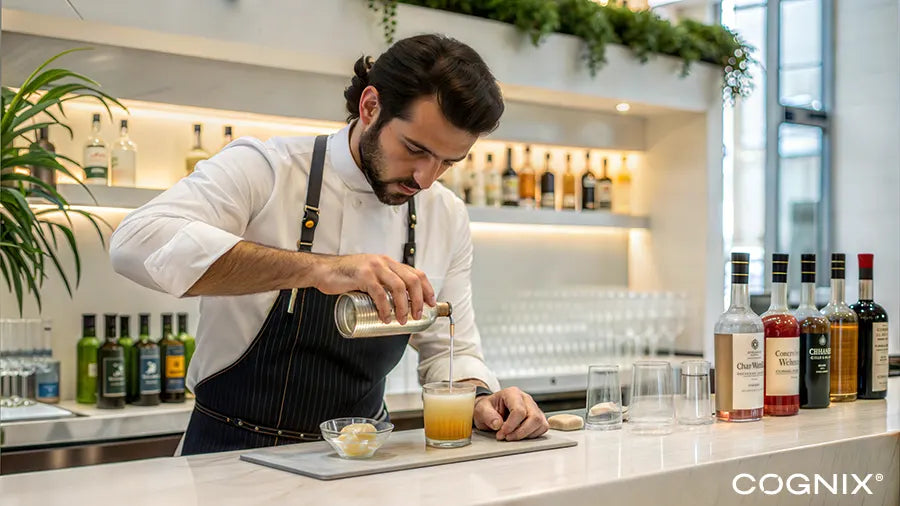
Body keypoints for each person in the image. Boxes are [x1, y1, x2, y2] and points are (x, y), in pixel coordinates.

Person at [110, 34, 549, 455]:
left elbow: (451, 350)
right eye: (415, 149)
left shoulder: (445, 214)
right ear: (371, 106)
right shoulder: (268, 169)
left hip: (361, 462)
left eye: (447, 162)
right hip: (230, 456)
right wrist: (320, 269)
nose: (425, 178)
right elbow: (135, 242)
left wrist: (480, 399)